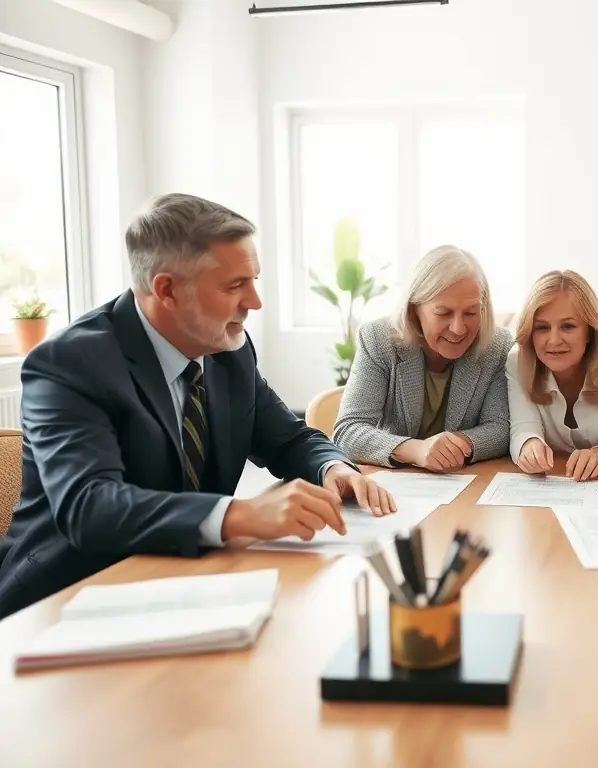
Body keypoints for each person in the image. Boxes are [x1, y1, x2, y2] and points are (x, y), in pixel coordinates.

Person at [0, 193, 395, 619]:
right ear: (166, 289)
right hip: (67, 602)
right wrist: (236, 516)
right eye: (234, 286)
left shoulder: (228, 349)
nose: (254, 302)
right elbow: (90, 507)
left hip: (187, 586)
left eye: (254, 280)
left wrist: (332, 468)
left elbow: (288, 437)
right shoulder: (69, 364)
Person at [333, 245, 512, 471]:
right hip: (392, 486)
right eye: (443, 313)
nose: (458, 328)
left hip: (462, 483)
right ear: (414, 309)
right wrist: (416, 450)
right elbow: (348, 431)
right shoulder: (378, 340)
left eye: (470, 313)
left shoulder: (496, 347)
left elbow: (500, 428)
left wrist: (452, 447)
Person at [507, 270, 598, 481]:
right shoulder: (517, 361)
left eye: (568, 326)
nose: (553, 340)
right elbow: (523, 428)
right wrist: (528, 445)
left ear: (590, 331)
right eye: (542, 328)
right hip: (550, 483)